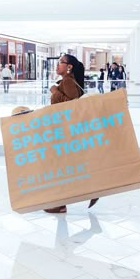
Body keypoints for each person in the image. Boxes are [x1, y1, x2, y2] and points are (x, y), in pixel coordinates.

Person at [44, 53, 99, 213]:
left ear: (69, 67)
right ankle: (65, 201)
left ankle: (62, 203)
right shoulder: (67, 81)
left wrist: (54, 91)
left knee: (61, 167)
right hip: (64, 131)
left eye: (61, 62)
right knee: (66, 166)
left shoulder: (68, 81)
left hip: (64, 132)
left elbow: (72, 106)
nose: (57, 65)